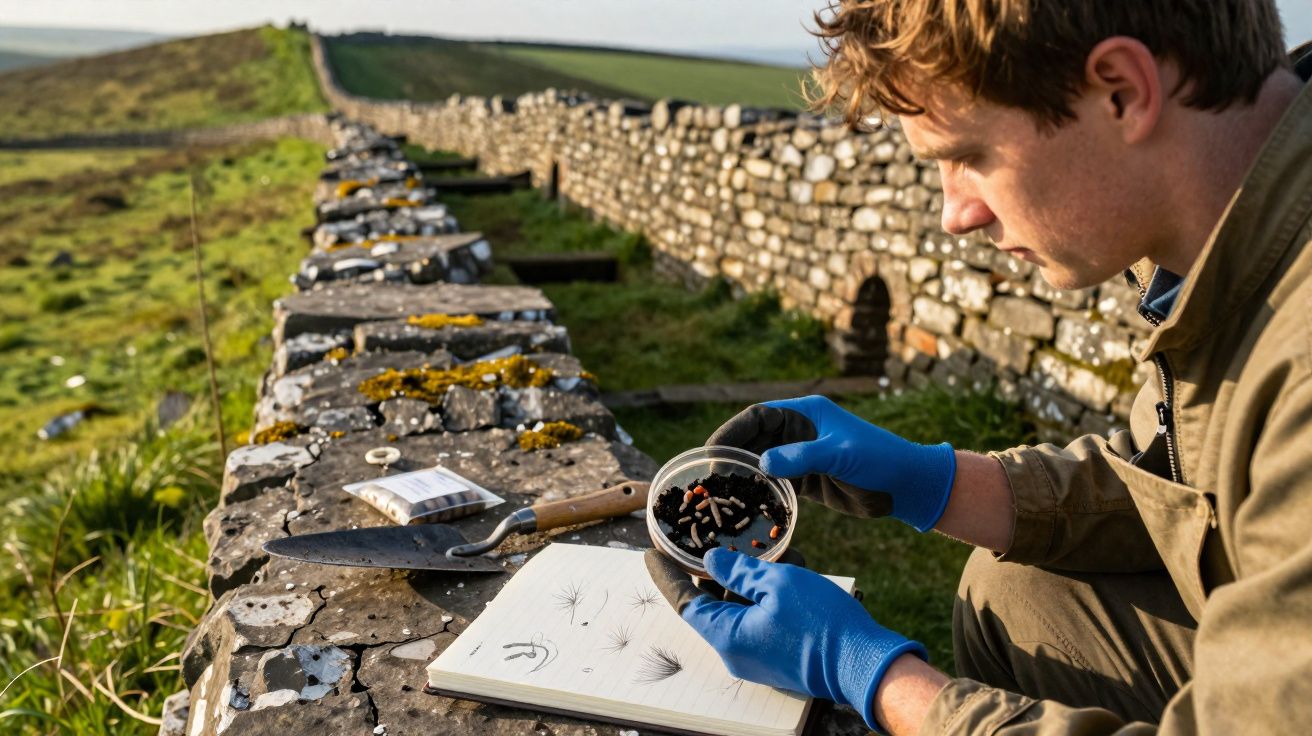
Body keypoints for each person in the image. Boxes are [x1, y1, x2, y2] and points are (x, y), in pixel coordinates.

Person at [645, 1, 1312, 733]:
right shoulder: (1216, 246)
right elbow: (1192, 496)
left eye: (967, 157)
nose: (953, 214)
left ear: (1122, 90)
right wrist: (938, 481)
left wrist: (876, 677)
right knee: (1018, 594)